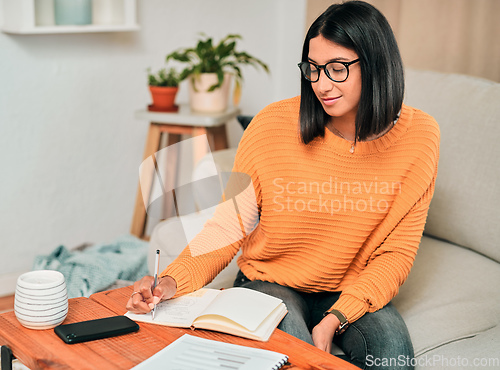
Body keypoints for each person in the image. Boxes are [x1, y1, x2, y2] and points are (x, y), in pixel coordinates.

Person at [127, 1, 439, 369]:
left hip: (352, 286)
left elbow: (395, 255)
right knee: (296, 361)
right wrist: (170, 282)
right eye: (313, 69)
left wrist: (335, 319)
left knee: (394, 359)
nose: (322, 84)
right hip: (272, 281)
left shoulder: (420, 137)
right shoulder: (272, 124)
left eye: (337, 69)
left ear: (376, 64)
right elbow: (228, 226)